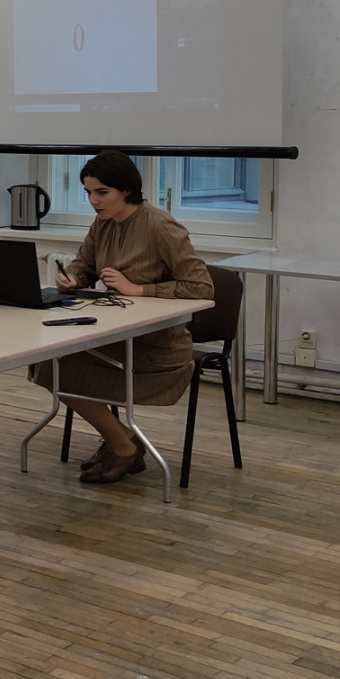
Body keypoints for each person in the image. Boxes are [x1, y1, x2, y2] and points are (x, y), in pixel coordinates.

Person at [37, 150, 215, 485]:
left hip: (158, 347)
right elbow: (85, 266)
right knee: (48, 361)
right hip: (117, 335)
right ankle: (122, 441)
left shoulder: (160, 226)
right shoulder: (102, 223)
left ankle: (123, 447)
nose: (93, 201)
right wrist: (73, 278)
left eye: (102, 192)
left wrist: (140, 289)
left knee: (56, 367)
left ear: (127, 190)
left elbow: (201, 287)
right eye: (88, 192)